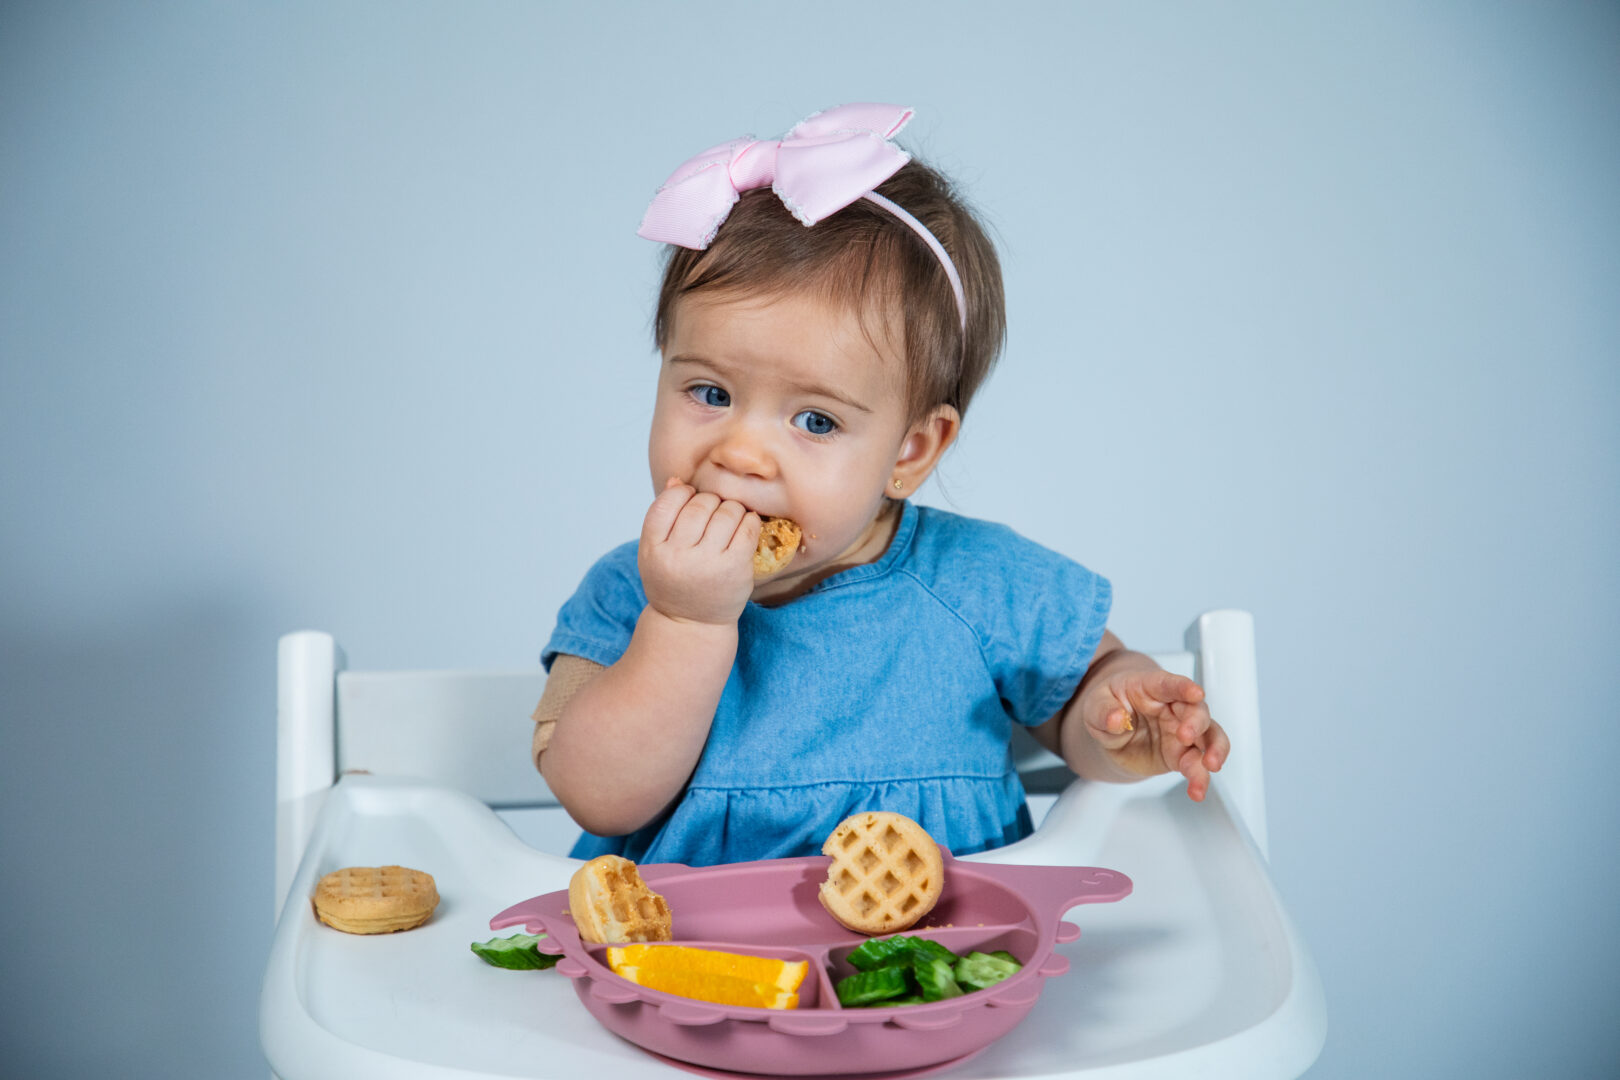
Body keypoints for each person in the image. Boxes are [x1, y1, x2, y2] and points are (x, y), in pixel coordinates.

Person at [531, 104, 1228, 866]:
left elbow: (1082, 687)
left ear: (912, 448)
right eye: (710, 394)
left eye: (816, 421)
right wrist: (686, 622)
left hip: (941, 970)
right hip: (690, 973)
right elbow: (597, 794)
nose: (742, 454)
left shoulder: (976, 584)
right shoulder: (631, 591)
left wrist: (1116, 711)